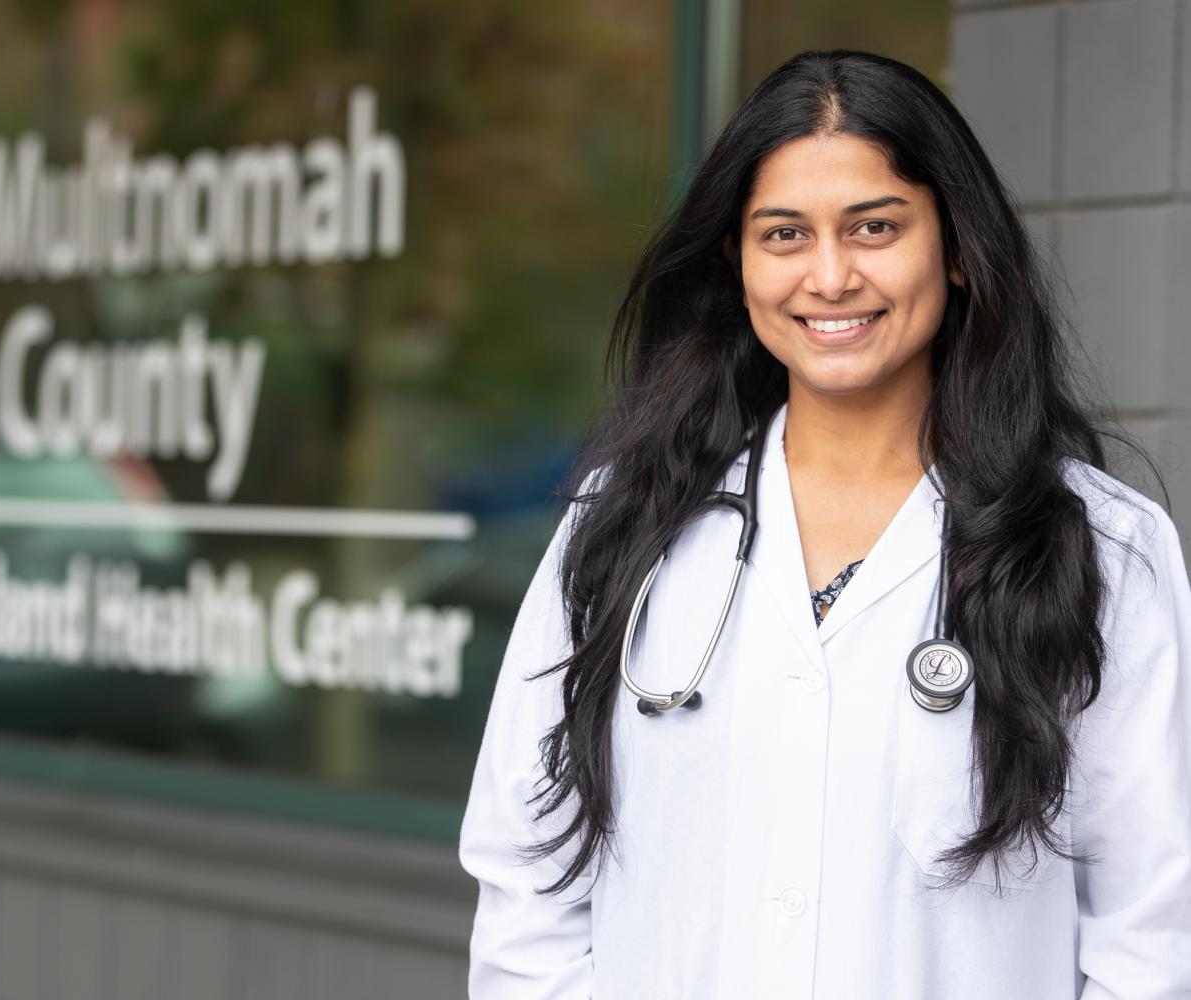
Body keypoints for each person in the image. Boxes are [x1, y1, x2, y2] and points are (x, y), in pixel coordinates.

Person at [458, 49, 1191, 998]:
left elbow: (1151, 934)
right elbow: (528, 879)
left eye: (875, 227)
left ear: (957, 248)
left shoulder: (1100, 551)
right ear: (738, 258)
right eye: (784, 234)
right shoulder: (621, 525)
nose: (831, 275)